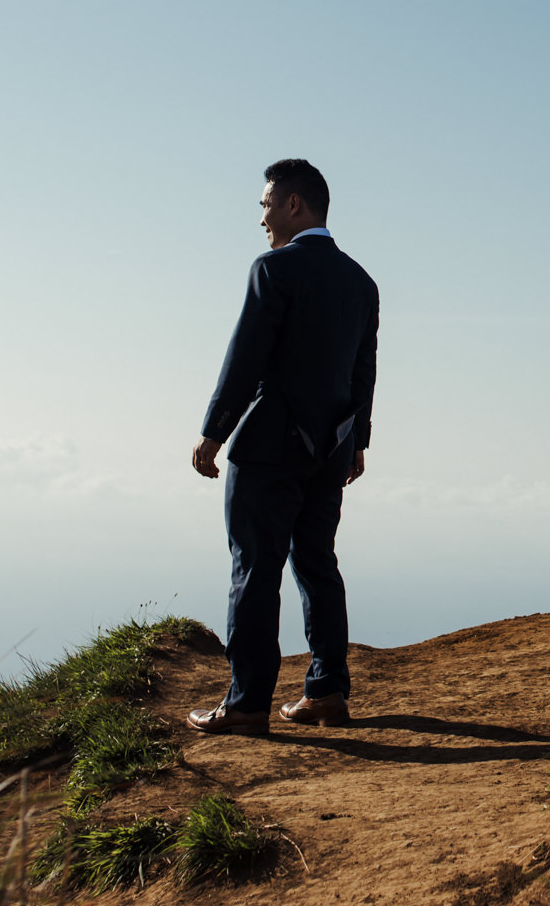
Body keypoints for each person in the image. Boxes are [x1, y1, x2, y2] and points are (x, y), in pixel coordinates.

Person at [185, 159, 379, 734]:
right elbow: (363, 371)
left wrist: (214, 430)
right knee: (318, 563)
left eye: (266, 205)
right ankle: (327, 692)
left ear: (295, 205)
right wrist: (358, 442)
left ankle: (246, 705)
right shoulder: (360, 280)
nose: (262, 218)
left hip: (270, 446)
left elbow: (246, 357)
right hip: (332, 449)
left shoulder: (274, 269)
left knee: (254, 569)